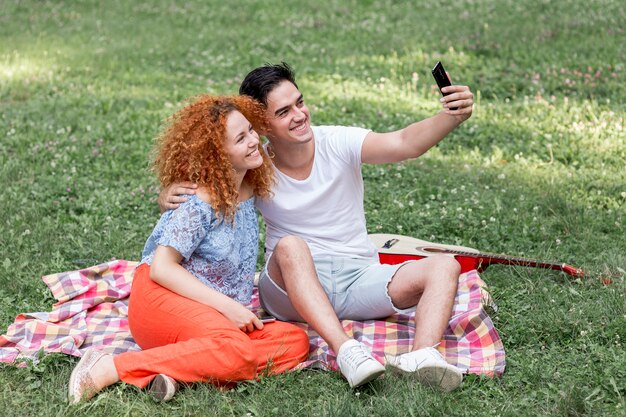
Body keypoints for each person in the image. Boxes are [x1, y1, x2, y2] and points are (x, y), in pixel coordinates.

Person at [160, 63, 474, 391]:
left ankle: (422, 357)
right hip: (289, 288)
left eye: (300, 102)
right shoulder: (256, 166)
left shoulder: (338, 142)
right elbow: (208, 198)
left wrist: (451, 116)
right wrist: (168, 193)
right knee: (291, 246)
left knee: (444, 266)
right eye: (284, 111)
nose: (299, 114)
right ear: (262, 124)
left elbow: (405, 143)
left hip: (359, 279)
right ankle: (347, 351)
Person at [68, 95, 310, 404]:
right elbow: (162, 268)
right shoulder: (200, 200)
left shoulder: (250, 184)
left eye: (251, 130)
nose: (253, 141)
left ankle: (183, 372)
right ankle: (111, 366)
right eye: (241, 138)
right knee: (234, 349)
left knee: (294, 340)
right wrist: (229, 307)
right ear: (217, 153)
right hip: (162, 298)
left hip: (211, 316)